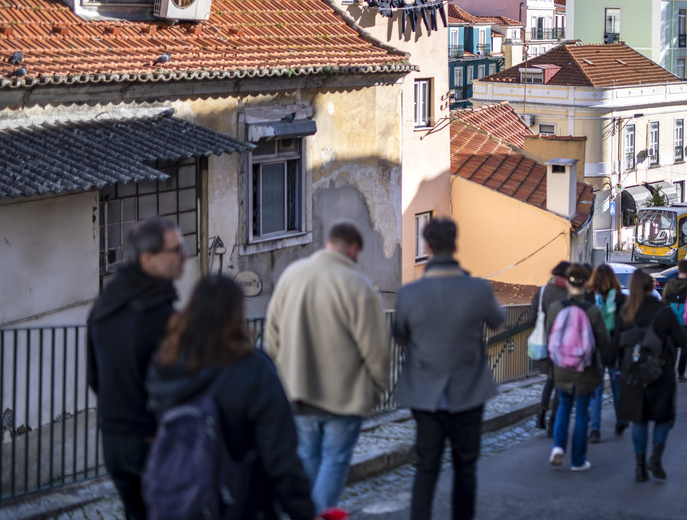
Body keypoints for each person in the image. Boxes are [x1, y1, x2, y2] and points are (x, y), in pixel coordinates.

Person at [146, 276, 317, 520]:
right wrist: (304, 512)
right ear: (236, 314)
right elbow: (281, 458)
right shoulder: (253, 369)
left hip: (179, 498)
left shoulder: (164, 365)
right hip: (242, 502)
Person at [265, 221, 390, 516]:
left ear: (328, 244)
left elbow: (271, 336)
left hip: (297, 391)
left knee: (306, 459)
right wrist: (376, 391)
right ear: (353, 249)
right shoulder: (358, 285)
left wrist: (281, 378)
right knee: (334, 461)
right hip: (344, 398)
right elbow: (376, 350)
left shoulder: (292, 275)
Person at [392, 218, 506, 520]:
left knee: (425, 467)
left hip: (425, 392)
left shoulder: (408, 294)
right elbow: (497, 320)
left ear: (427, 246)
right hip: (468, 391)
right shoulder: (478, 289)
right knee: (465, 468)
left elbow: (400, 336)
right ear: (455, 245)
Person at [86, 217, 186, 520]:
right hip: (151, 438)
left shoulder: (104, 305)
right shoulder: (162, 315)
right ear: (148, 259)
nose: (185, 255)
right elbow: (178, 389)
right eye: (176, 249)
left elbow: (94, 378)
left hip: (113, 437)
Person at [615, 269, 687, 482]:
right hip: (660, 371)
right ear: (651, 288)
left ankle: (639, 467)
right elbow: (682, 340)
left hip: (633, 372)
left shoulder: (626, 312)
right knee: (663, 417)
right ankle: (655, 457)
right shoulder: (662, 312)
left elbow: (617, 344)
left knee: (639, 420)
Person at [546, 264, 610, 472]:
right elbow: (603, 341)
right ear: (586, 284)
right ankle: (578, 460)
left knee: (564, 406)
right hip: (585, 368)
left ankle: (557, 447)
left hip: (562, 367)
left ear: (567, 282)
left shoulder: (556, 307)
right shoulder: (592, 311)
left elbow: (550, 337)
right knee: (582, 412)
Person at [528, 261, 570, 436]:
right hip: (563, 344)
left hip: (545, 342)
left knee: (550, 381)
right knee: (559, 383)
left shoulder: (542, 291)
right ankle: (553, 423)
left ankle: (541, 416)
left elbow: (531, 319)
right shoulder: (569, 294)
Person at [586, 263, 625, 442]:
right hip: (614, 348)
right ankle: (620, 421)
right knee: (617, 387)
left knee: (596, 389)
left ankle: (595, 428)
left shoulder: (588, 298)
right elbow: (624, 326)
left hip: (594, 347)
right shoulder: (620, 299)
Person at [661, 259, 687, 382]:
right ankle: (681, 373)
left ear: (678, 268)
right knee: (685, 347)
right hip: (685, 322)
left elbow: (664, 301)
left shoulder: (670, 284)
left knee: (672, 348)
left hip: (671, 320)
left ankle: (670, 372)